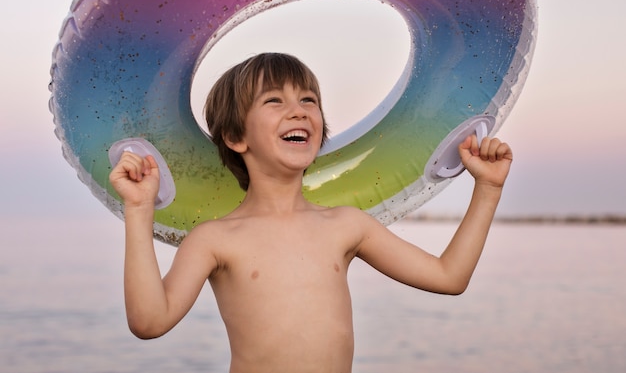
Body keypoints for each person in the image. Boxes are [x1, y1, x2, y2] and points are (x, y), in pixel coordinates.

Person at [109, 52, 513, 373]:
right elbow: (149, 322)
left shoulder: (346, 225)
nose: (299, 110)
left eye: (309, 100)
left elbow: (449, 277)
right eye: (274, 101)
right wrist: (140, 208)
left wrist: (488, 188)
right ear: (235, 136)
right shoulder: (216, 239)